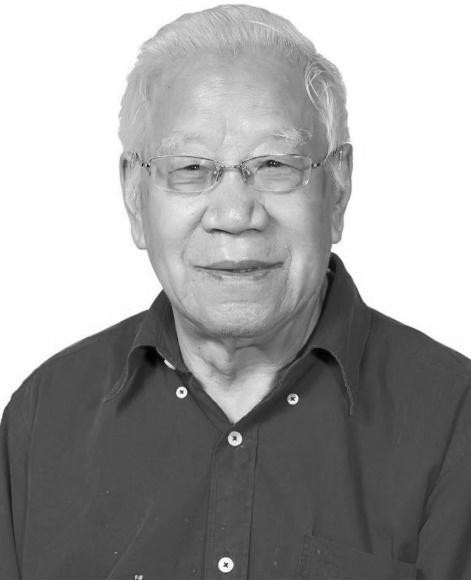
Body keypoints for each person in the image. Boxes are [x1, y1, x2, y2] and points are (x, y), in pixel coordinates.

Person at [1, 4, 470, 579]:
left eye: (274, 164)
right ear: (134, 196)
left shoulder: (454, 422)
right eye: (191, 168)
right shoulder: (44, 420)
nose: (234, 214)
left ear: (338, 186)